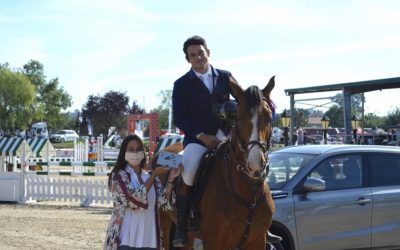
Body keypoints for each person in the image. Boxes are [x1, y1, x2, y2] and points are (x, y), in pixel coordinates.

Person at [171, 35, 237, 247]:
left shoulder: (226, 77)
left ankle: (260, 220)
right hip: (197, 141)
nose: (198, 57)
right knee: (189, 171)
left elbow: (241, 102)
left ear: (208, 52)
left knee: (251, 165)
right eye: (193, 55)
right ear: (188, 60)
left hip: (225, 136)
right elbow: (180, 117)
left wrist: (221, 136)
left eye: (200, 52)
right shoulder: (181, 85)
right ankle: (182, 227)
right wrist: (203, 136)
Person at [104, 134, 172, 250]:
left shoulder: (150, 176)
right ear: (123, 152)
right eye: (131, 149)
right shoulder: (118, 176)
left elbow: (164, 203)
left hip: (150, 240)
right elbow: (134, 201)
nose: (135, 153)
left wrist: (171, 179)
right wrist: (155, 174)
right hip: (125, 240)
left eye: (139, 149)